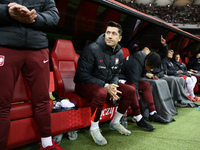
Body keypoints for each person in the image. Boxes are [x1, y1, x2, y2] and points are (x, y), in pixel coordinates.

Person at [0, 1, 65, 150]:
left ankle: (47, 144)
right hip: (6, 46)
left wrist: (34, 17)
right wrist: (8, 12)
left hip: (37, 48)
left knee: (42, 99)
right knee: (2, 103)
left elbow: (54, 16)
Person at [120, 44, 169, 125]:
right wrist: (137, 112)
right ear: (147, 62)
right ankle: (138, 117)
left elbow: (141, 75)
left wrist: (146, 74)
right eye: (152, 67)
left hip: (128, 79)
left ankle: (153, 113)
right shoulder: (135, 64)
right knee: (132, 88)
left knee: (146, 84)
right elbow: (134, 86)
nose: (152, 69)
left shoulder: (144, 59)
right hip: (120, 80)